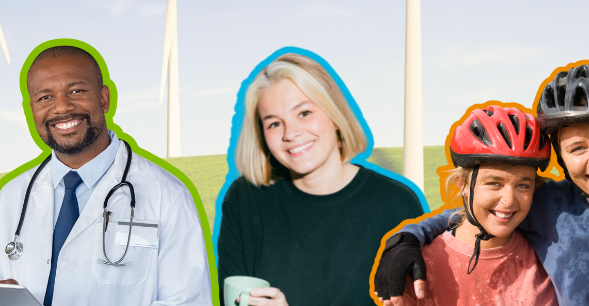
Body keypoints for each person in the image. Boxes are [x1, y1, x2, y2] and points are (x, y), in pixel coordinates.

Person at [0, 44, 212, 306]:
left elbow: (189, 301)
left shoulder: (167, 196)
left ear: (104, 98)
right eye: (45, 97)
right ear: (31, 109)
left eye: (76, 91)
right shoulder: (11, 198)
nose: (62, 107)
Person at [216, 53, 424, 306]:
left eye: (303, 113)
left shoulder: (396, 205)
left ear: (335, 115)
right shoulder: (245, 199)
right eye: (273, 124)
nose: (291, 133)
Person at [375, 64, 589, 306]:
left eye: (522, 185)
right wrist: (405, 240)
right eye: (578, 148)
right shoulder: (555, 206)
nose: (509, 198)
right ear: (561, 156)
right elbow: (472, 213)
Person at [394, 105, 556, 305]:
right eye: (494, 183)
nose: (508, 200)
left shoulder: (550, 260)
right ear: (462, 184)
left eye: (523, 185)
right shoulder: (418, 268)